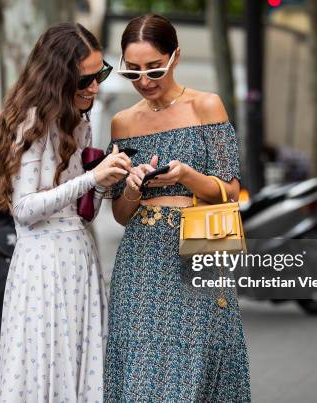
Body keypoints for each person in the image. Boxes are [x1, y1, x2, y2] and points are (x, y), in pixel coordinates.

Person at [104, 14, 251, 401]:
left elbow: (231, 191)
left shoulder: (206, 106)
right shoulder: (122, 123)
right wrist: (134, 188)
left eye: (154, 68)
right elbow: (120, 215)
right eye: (132, 72)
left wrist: (186, 176)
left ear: (176, 57)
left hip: (201, 246)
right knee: (140, 369)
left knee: (199, 364)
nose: (145, 81)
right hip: (141, 260)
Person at [0, 22, 131, 402]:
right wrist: (90, 178)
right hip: (43, 266)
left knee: (80, 376)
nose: (95, 87)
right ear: (57, 79)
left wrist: (107, 180)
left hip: (80, 260)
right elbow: (25, 209)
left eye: (100, 75)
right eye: (85, 80)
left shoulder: (79, 123)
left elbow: (84, 213)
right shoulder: (32, 121)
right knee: (44, 375)